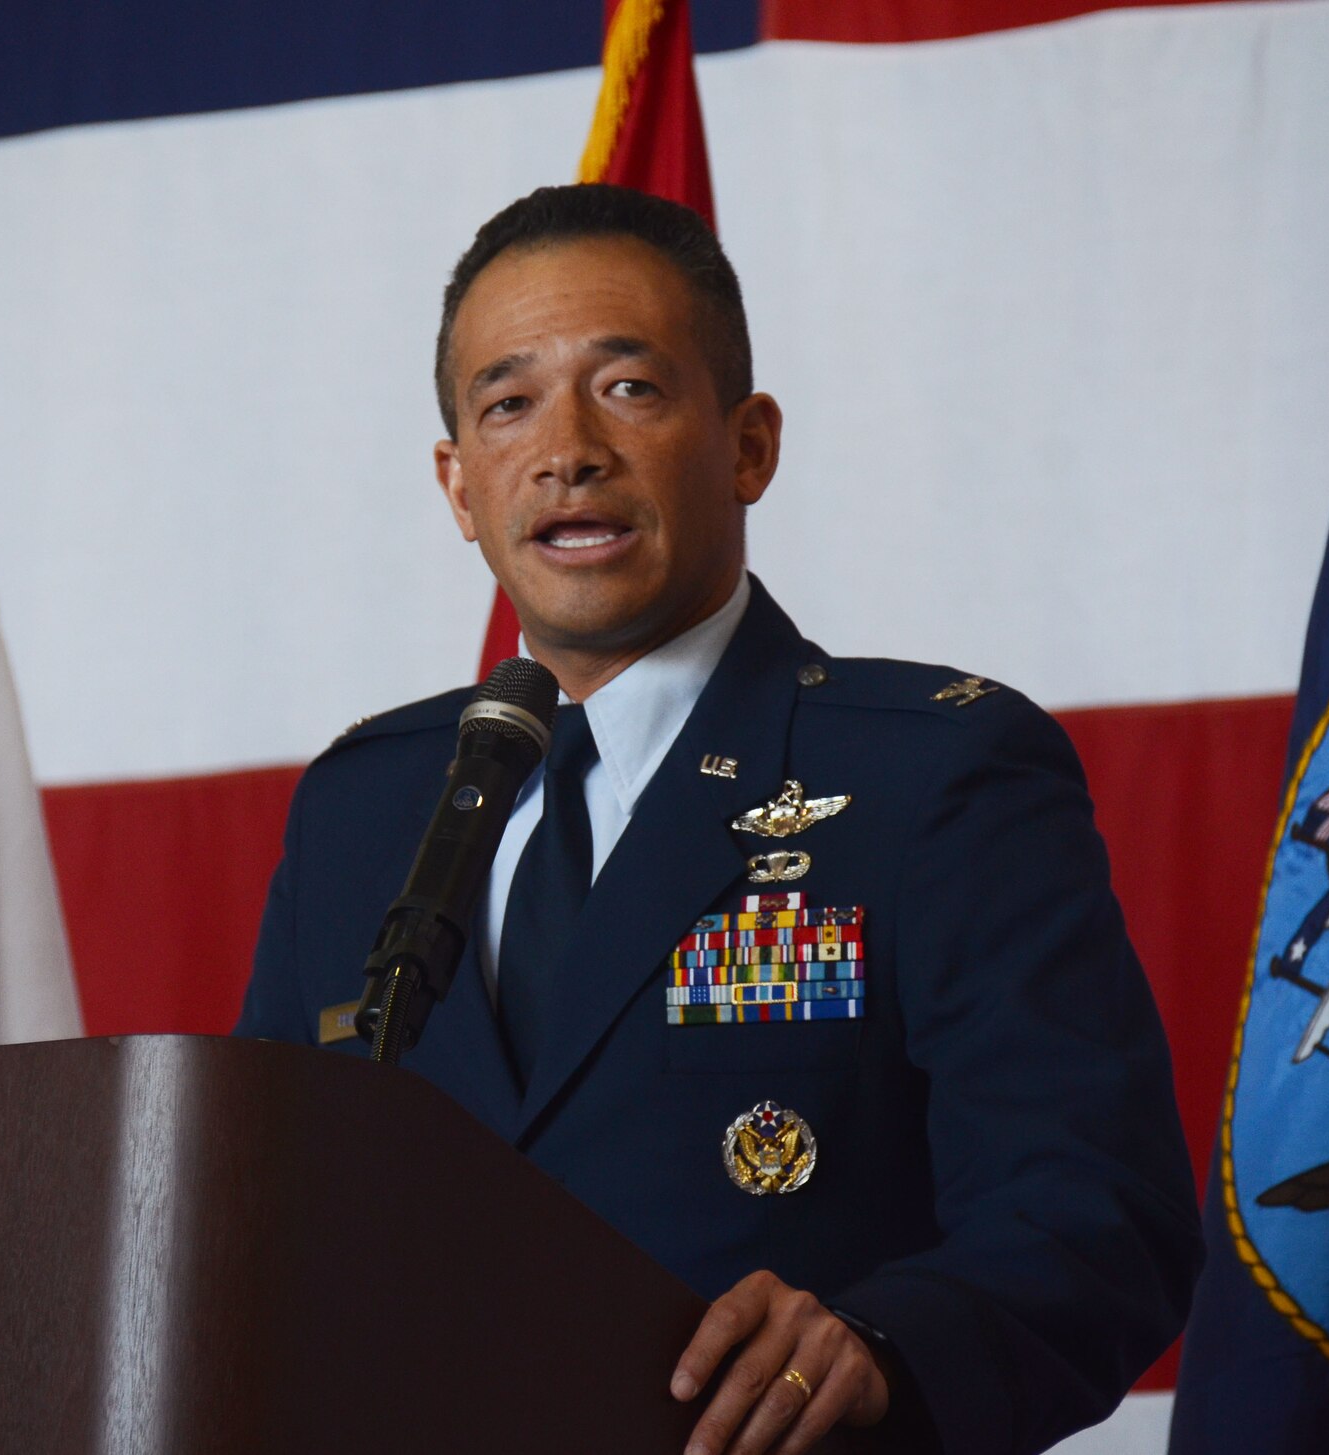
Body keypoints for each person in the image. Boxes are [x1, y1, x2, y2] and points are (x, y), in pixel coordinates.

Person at [237, 184, 1201, 1455]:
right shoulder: (364, 809)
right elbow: (254, 1224)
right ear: (459, 484)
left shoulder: (936, 776)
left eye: (627, 388)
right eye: (507, 402)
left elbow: (1100, 1216)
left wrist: (880, 1343)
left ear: (747, 445)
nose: (565, 447)